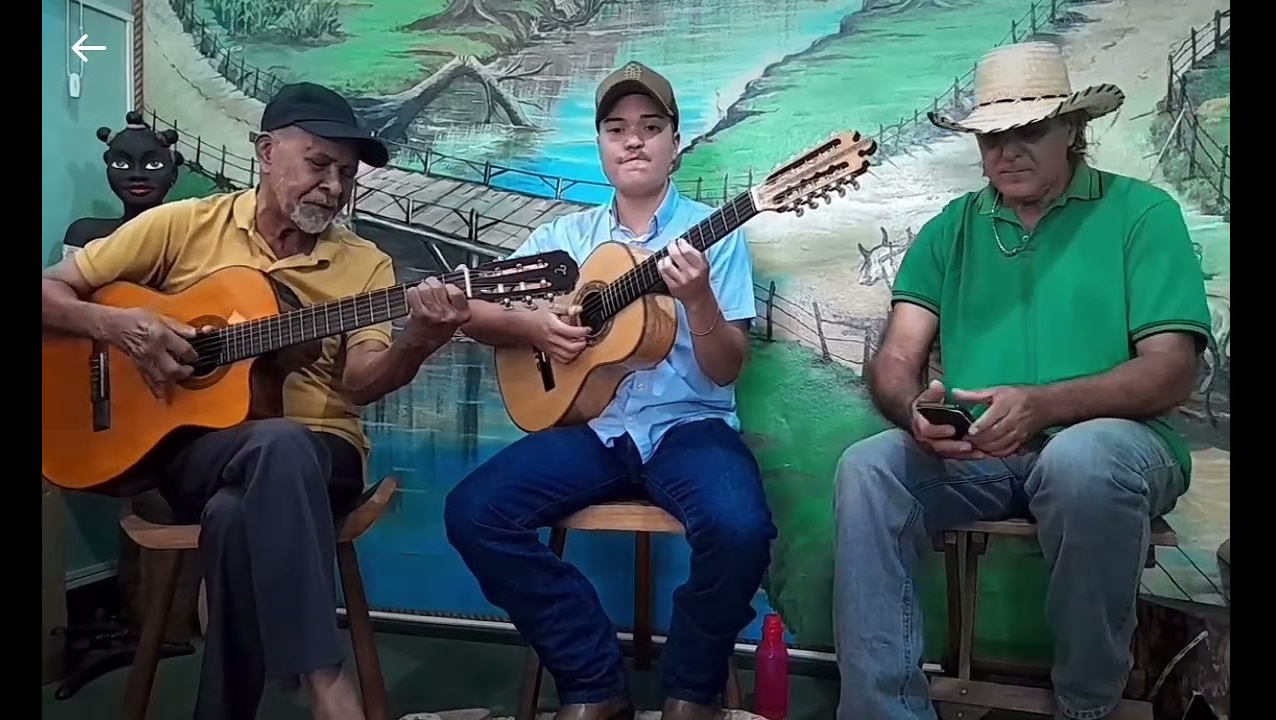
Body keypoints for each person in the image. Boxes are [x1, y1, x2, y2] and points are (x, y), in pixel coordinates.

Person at [41, 82, 470, 720]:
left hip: (326, 456)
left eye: (346, 175)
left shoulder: (368, 265)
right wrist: (120, 326)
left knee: (244, 499)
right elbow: (52, 291)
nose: (332, 186)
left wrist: (420, 342)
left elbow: (360, 383)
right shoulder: (186, 224)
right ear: (267, 152)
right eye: (318, 164)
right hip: (194, 450)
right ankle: (328, 682)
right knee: (270, 450)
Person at [833, 42, 1212, 720]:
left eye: (1028, 130)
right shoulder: (952, 229)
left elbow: (1171, 369)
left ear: (1074, 129)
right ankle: (883, 712)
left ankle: (1087, 707)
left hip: (1119, 446)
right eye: (991, 136)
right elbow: (895, 359)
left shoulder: (1141, 215)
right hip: (981, 451)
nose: (1005, 150)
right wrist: (910, 409)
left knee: (1082, 460)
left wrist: (1044, 406)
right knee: (868, 468)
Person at [444, 62, 776, 720]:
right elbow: (470, 309)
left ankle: (691, 690)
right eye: (617, 128)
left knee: (741, 528)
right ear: (600, 144)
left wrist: (698, 295)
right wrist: (534, 324)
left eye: (651, 128)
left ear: (675, 143)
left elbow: (724, 368)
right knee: (475, 511)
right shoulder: (564, 240)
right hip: (593, 429)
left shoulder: (717, 234)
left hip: (689, 428)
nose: (634, 141)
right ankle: (594, 682)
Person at [62, 111, 185, 251]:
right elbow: (64, 272)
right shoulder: (84, 234)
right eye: (121, 164)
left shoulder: (190, 235)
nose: (137, 175)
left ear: (173, 174)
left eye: (153, 164)